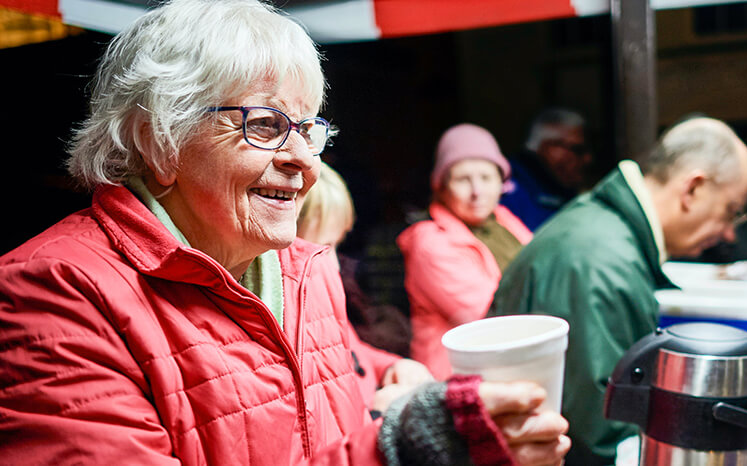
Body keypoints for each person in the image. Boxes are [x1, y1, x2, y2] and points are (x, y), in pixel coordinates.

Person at [0, 1, 572, 465]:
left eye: (308, 128)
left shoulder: (304, 266)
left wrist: (393, 376)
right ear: (160, 141)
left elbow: (312, 377)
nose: (305, 160)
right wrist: (401, 445)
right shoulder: (49, 295)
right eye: (267, 125)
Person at [490, 116, 747, 465]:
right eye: (731, 212)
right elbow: (599, 435)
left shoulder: (608, 233)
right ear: (693, 189)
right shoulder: (599, 259)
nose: (729, 233)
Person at [397, 123, 533, 380]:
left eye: (486, 177)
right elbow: (488, 318)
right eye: (463, 179)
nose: (477, 192)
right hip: (459, 379)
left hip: (507, 368)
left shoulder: (503, 220)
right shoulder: (429, 241)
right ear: (442, 187)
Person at [297, 162, 430, 413]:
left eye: (337, 245)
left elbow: (352, 350)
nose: (335, 263)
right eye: (322, 248)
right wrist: (373, 410)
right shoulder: (291, 315)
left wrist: (392, 366)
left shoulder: (322, 295)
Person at [499, 107, 593, 231]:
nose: (588, 159)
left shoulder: (562, 187)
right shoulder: (508, 191)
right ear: (550, 147)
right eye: (578, 150)